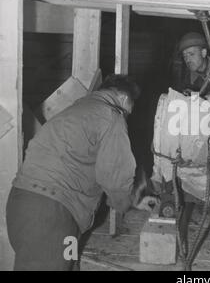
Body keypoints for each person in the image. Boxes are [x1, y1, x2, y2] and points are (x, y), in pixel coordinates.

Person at [6, 74, 159, 271]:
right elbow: (114, 177)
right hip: (52, 216)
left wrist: (135, 200)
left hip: (22, 206)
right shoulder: (112, 116)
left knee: (67, 265)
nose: (129, 114)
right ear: (123, 99)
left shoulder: (75, 110)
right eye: (131, 107)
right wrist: (126, 202)